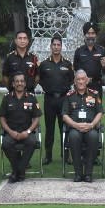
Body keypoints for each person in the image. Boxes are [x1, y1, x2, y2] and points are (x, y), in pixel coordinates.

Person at [0, 72, 42, 183]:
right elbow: (2, 119)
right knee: (6, 144)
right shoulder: (6, 98)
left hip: (27, 132)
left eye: (22, 81)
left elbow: (36, 119)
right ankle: (20, 171)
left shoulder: (32, 98)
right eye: (17, 81)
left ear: (25, 83)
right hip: (11, 132)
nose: (19, 83)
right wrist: (10, 132)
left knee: (32, 142)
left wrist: (28, 131)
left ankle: (17, 171)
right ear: (13, 84)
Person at [62, 70, 104, 182]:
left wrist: (92, 125)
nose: (81, 81)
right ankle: (78, 173)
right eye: (78, 79)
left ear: (87, 80)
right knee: (74, 137)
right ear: (74, 81)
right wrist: (75, 125)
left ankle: (88, 173)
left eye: (83, 79)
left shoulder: (94, 94)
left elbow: (100, 112)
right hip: (75, 128)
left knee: (94, 136)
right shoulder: (69, 95)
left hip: (90, 127)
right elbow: (64, 115)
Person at [38, 35, 74, 165]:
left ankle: (66, 154)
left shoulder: (68, 64)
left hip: (64, 99)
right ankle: (48, 155)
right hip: (49, 99)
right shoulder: (44, 64)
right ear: (51, 46)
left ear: (61, 46)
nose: (56, 47)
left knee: (65, 127)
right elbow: (40, 80)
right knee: (49, 128)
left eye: (59, 45)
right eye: (54, 45)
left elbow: (71, 80)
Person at [73, 22, 105, 97]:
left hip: (96, 86)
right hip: (82, 86)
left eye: (93, 33)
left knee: (97, 108)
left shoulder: (102, 50)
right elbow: (76, 70)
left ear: (96, 35)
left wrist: (104, 66)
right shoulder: (79, 51)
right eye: (88, 33)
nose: (90, 36)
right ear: (85, 35)